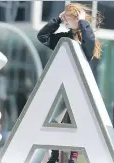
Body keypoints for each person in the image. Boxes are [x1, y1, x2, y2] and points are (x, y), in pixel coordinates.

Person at [37, 3, 103, 163]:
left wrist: (82, 22)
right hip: (60, 85)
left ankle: (72, 158)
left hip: (78, 87)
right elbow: (43, 37)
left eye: (67, 17)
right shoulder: (64, 38)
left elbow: (87, 48)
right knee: (49, 118)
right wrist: (57, 21)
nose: (65, 19)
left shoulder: (87, 36)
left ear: (76, 18)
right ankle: (54, 154)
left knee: (75, 122)